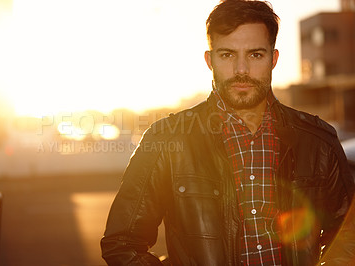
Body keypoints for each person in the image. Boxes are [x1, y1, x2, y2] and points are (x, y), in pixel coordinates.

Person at [100, 0, 355, 265]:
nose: (241, 70)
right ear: (210, 60)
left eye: (255, 54)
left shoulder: (318, 141)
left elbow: (348, 236)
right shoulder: (166, 140)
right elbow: (122, 243)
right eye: (227, 55)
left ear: (274, 58)